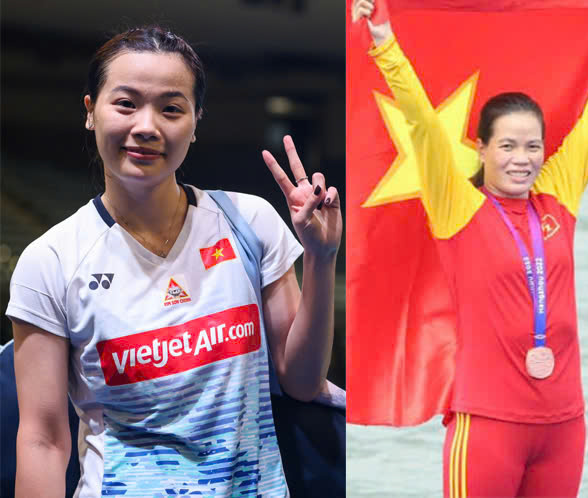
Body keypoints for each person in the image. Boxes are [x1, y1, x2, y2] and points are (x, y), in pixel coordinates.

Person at [6, 26, 341, 496]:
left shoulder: (248, 221)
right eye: (126, 104)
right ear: (91, 112)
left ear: (195, 122)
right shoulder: (51, 261)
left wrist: (321, 258)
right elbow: (42, 442)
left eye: (171, 108)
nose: (147, 126)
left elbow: (302, 383)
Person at [352, 1, 588, 496]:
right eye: (508, 146)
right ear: (482, 149)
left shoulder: (559, 195)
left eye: (533, 146)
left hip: (564, 425)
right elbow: (422, 124)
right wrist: (385, 40)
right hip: (487, 424)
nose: (522, 159)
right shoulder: (458, 208)